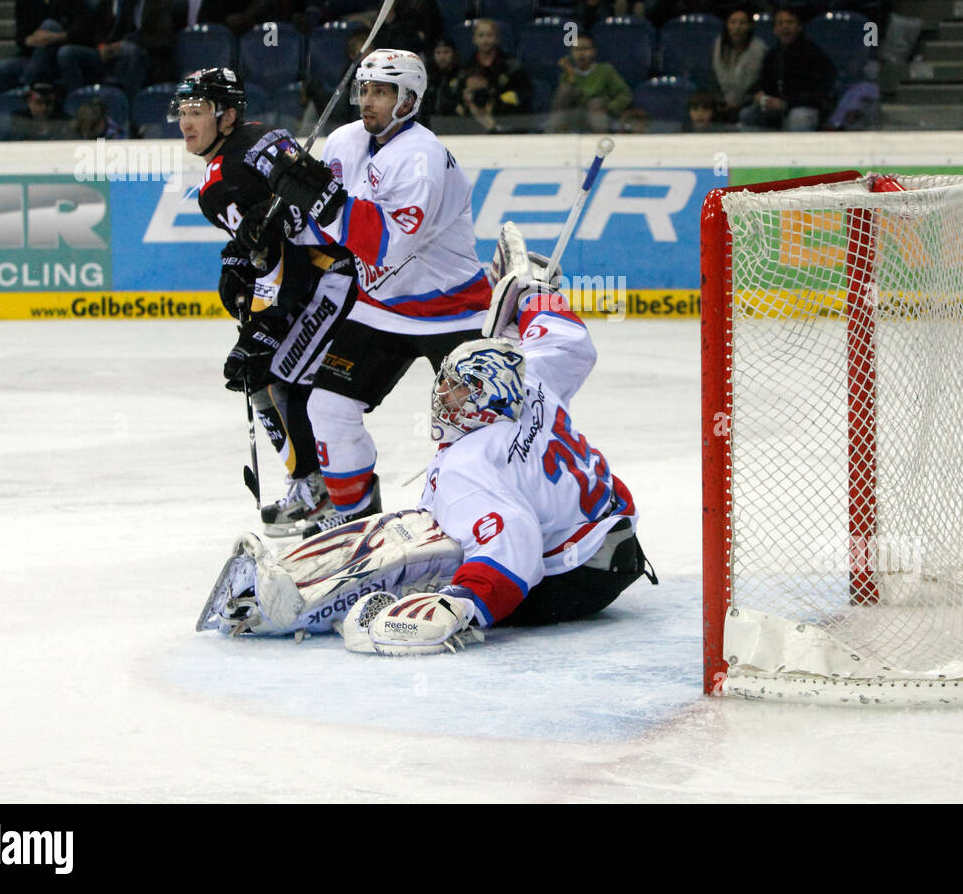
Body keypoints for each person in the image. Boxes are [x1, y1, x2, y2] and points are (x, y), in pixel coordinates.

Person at [196, 227, 654, 654]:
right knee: (430, 527)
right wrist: (535, 298)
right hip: (617, 542)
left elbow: (514, 542)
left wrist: (462, 602)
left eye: (458, 392)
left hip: (575, 580)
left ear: (486, 402)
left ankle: (289, 608)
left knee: (418, 549)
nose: (444, 400)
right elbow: (568, 339)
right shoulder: (530, 380)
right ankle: (297, 578)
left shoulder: (469, 464)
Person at [251, 49, 493, 523]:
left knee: (479, 427)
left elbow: (388, 245)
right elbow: (329, 230)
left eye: (381, 92)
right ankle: (353, 518)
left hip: (454, 314)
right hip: (379, 308)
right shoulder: (344, 141)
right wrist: (281, 225)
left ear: (408, 100)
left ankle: (488, 518)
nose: (368, 101)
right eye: (364, 90)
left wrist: (324, 201)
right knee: (329, 410)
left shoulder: (422, 158)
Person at [171, 66, 359, 533]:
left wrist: (265, 323)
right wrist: (238, 260)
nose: (187, 123)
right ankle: (307, 483)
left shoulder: (232, 172)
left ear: (228, 115)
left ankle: (324, 496)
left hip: (328, 274)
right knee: (262, 381)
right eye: (184, 112)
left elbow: (292, 241)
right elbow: (261, 240)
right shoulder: (247, 151)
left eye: (198, 112)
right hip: (306, 275)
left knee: (279, 378)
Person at [57, 0, 179, 98]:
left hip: (144, 56)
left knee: (130, 50)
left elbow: (164, 38)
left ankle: (130, 110)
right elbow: (96, 29)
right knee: (66, 53)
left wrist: (125, 45)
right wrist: (102, 46)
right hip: (109, 53)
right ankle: (76, 104)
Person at [739, 6, 837, 131]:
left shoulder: (813, 53)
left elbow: (821, 91)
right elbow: (763, 84)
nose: (785, 27)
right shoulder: (772, 55)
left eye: (790, 22)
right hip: (777, 107)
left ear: (799, 27)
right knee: (748, 115)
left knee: (798, 117)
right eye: (780, 23)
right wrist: (761, 96)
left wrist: (787, 103)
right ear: (775, 29)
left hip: (804, 106)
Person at [546, 32, 632, 133]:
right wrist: (571, 75)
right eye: (577, 50)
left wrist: (609, 108)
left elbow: (625, 95)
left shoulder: (606, 70)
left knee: (596, 103)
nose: (581, 54)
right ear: (571, 53)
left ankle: (599, 143)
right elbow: (562, 102)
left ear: (594, 51)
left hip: (599, 115)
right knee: (565, 90)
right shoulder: (567, 74)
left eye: (585, 49)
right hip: (574, 117)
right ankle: (551, 136)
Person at [712, 7, 767, 121]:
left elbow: (760, 84)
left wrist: (741, 102)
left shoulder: (760, 49)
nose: (737, 27)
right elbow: (713, 80)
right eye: (733, 22)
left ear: (750, 26)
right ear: (727, 25)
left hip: (749, 103)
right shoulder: (718, 47)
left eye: (743, 23)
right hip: (722, 102)